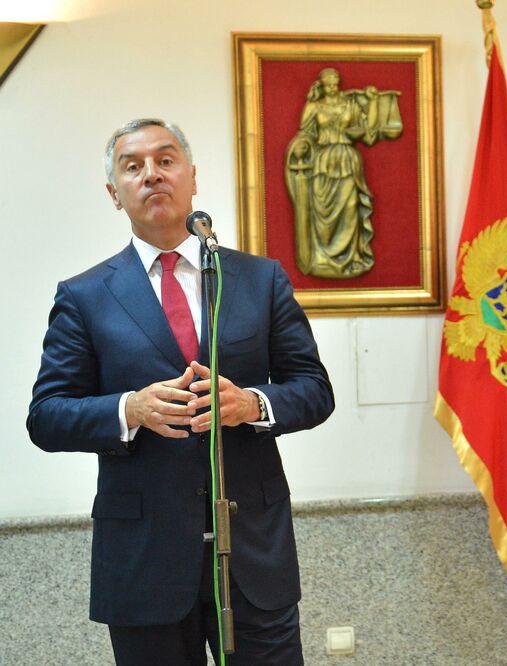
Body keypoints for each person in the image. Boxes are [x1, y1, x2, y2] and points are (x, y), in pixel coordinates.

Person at [27, 118, 335, 665]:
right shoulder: (84, 296)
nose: (152, 175)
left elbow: (313, 389)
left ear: (192, 176)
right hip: (144, 561)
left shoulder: (260, 280)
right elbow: (47, 416)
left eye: (165, 161)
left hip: (253, 554)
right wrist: (131, 409)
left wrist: (251, 404)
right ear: (115, 195)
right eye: (133, 166)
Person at [284, 68, 402, 279]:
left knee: (349, 209)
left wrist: (373, 102)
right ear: (322, 85)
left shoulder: (351, 105)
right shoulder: (313, 107)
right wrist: (299, 150)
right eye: (328, 84)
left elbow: (368, 132)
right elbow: (305, 135)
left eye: (335, 84)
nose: (332, 87)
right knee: (322, 215)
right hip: (323, 163)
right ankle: (322, 258)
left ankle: (351, 258)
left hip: (347, 160)